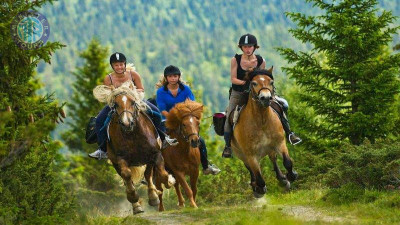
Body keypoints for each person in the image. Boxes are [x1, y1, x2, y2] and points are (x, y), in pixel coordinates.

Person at [222, 34, 302, 158]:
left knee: (280, 105)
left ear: (255, 47)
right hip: (238, 93)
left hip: (257, 92)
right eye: (245, 47)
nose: (247, 49)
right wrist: (247, 83)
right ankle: (227, 146)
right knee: (229, 116)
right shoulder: (235, 60)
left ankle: (290, 133)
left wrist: (259, 86)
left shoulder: (260, 61)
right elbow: (233, 79)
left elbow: (262, 79)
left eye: (250, 47)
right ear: (241, 48)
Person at [89, 52, 176, 159]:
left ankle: (163, 138)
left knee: (156, 113)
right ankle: (102, 150)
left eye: (121, 64)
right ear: (112, 66)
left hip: (135, 100)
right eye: (116, 65)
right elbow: (109, 94)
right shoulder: (109, 78)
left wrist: (129, 91)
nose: (119, 67)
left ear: (125, 64)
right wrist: (119, 94)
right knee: (99, 120)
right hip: (117, 103)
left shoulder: (133, 75)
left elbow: (141, 89)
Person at [156, 65, 221, 175]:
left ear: (179, 77)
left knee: (200, 141)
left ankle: (206, 166)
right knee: (159, 142)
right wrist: (175, 119)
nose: (173, 78)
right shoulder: (161, 92)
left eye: (175, 76)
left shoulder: (186, 89)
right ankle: (157, 169)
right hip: (168, 120)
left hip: (185, 120)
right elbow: (163, 110)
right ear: (166, 78)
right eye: (170, 76)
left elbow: (192, 105)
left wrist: (185, 119)